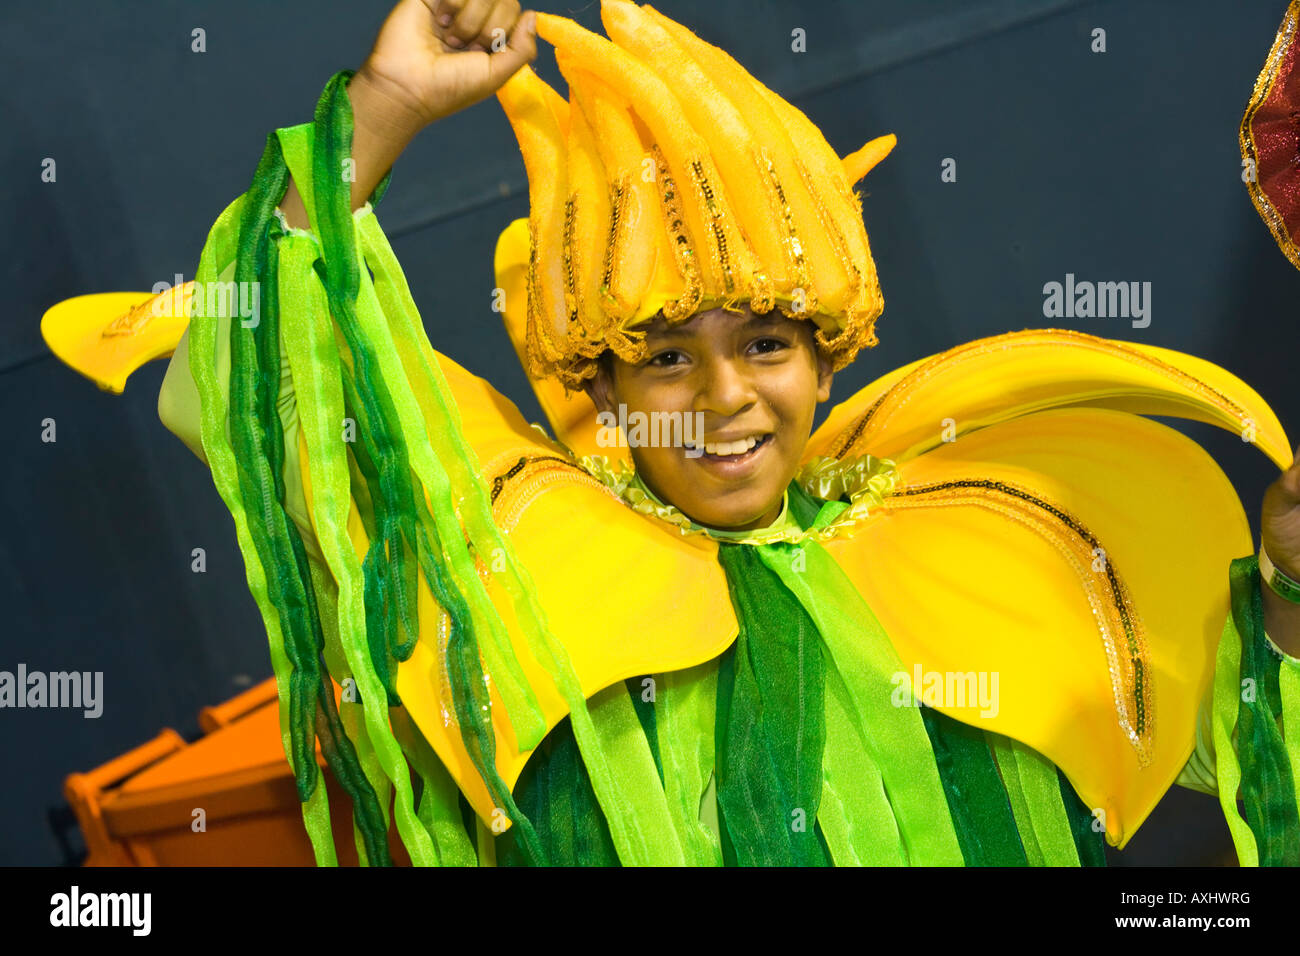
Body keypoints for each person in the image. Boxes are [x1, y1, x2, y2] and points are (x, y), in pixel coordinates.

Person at [140, 0, 1300, 865]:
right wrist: (385, 108)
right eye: (661, 354)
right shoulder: (505, 551)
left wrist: (1289, 607)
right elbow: (238, 377)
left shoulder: (998, 536)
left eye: (764, 343)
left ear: (831, 351)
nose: (723, 395)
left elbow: (1248, 753)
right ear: (594, 379)